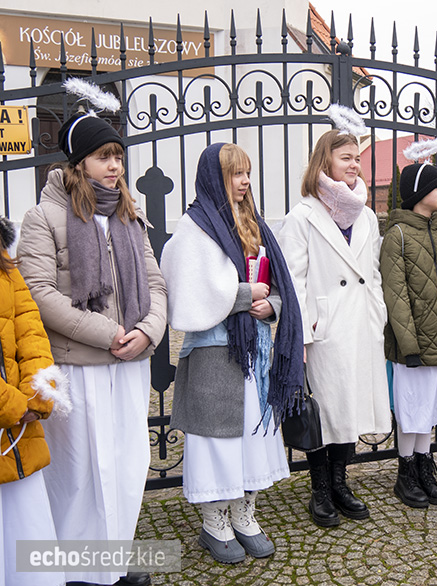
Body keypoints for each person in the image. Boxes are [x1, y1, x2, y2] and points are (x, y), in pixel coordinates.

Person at [17, 113, 167, 586]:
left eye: (118, 156)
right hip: (78, 365)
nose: (115, 166)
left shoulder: (129, 213)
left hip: (129, 363)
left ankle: (114, 562)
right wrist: (107, 333)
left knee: (125, 465)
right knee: (80, 471)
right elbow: (39, 293)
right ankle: (79, 572)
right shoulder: (43, 216)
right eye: (104, 156)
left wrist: (150, 330)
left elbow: (157, 283)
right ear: (78, 163)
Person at [161, 143, 302, 562]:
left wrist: (270, 304)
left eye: (247, 173)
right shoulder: (193, 228)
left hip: (254, 351)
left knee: (252, 436)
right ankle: (214, 521)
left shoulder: (255, 223)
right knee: (216, 438)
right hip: (214, 354)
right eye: (235, 174)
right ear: (213, 178)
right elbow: (186, 292)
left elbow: (279, 285)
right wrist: (245, 295)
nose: (244, 182)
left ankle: (245, 514)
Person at [275, 128, 391, 527]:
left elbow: (372, 272)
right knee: (325, 411)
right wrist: (302, 335)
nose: (355, 164)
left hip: (359, 324)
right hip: (324, 330)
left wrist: (377, 314)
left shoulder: (367, 214)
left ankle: (341, 482)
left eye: (357, 158)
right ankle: (321, 488)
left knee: (350, 408)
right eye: (346, 158)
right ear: (325, 162)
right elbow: (293, 282)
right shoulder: (302, 216)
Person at [380, 159, 437, 508]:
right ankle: (406, 471)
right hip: (412, 345)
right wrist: (409, 345)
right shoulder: (397, 235)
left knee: (430, 409)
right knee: (410, 408)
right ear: (419, 193)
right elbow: (396, 295)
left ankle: (424, 464)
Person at [1, 215, 66, 586]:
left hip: (17, 434)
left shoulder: (4, 258)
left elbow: (29, 327)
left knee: (27, 544)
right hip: (11, 415)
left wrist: (38, 388)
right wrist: (11, 405)